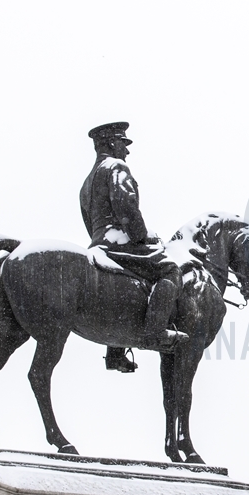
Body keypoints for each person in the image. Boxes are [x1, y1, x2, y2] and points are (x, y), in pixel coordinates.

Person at [80, 122, 185, 373]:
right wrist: (141, 238)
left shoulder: (87, 182)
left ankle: (115, 354)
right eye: (123, 144)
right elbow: (126, 207)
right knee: (170, 271)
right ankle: (155, 332)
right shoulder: (116, 167)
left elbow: (87, 219)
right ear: (111, 144)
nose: (127, 151)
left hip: (98, 244)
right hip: (118, 242)